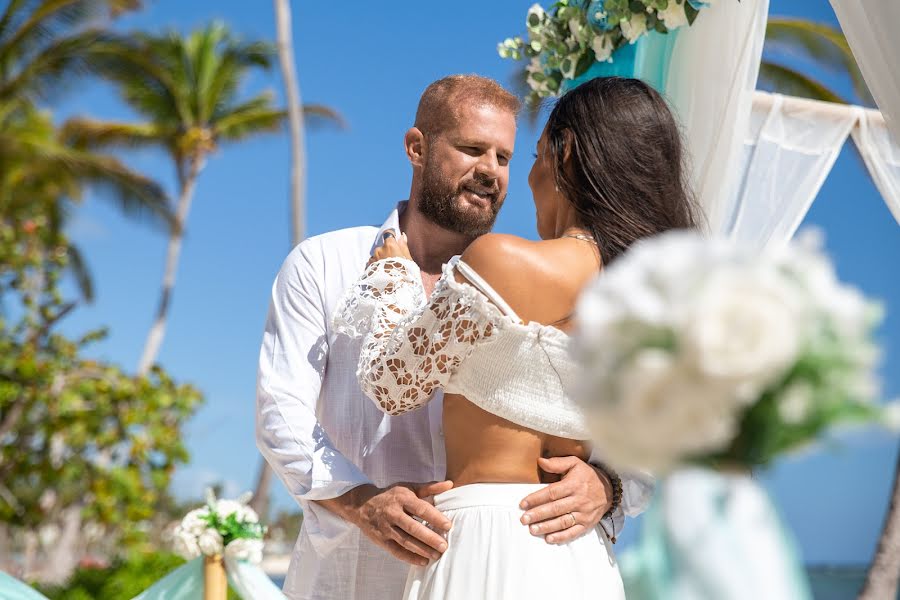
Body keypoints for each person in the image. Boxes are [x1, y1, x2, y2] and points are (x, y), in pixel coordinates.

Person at [255, 74, 645, 600]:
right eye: (471, 149)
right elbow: (281, 411)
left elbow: (640, 420)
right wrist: (357, 500)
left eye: (505, 158)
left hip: (499, 568)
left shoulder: (534, 275)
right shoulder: (323, 264)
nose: (491, 171)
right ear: (417, 148)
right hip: (349, 575)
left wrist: (610, 484)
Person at [333, 76, 699, 599]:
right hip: (582, 556)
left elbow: (394, 384)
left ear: (564, 152)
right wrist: (609, 484)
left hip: (488, 542)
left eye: (529, 153)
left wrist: (394, 276)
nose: (524, 175)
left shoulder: (504, 261)